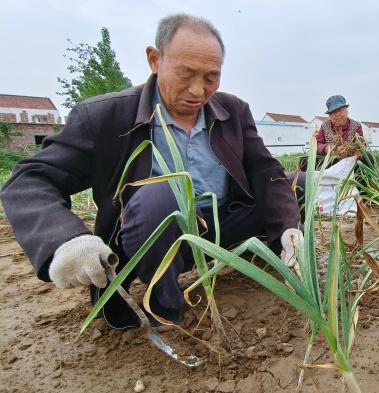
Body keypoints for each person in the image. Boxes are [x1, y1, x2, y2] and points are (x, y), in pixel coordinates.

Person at [0, 14, 303, 329]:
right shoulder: (105, 116)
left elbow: (266, 169)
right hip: (150, 237)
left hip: (218, 224)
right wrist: (67, 240)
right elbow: (30, 180)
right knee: (162, 193)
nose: (199, 91)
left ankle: (263, 258)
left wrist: (289, 227)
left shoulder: (233, 111)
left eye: (211, 77)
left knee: (297, 186)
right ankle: (164, 309)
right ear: (155, 60)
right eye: (186, 73)